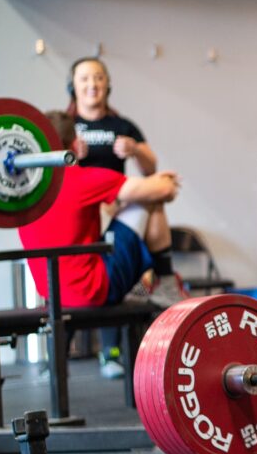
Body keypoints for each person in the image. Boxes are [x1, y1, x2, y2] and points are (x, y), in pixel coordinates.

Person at [66, 57, 187, 377]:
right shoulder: (66, 128)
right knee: (157, 194)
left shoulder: (122, 126)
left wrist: (134, 150)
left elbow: (150, 168)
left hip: (116, 206)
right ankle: (162, 280)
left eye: (98, 77)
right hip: (80, 216)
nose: (92, 84)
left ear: (107, 84)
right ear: (72, 86)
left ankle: (160, 284)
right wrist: (70, 156)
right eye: (84, 78)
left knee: (154, 199)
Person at [18, 111, 183, 317]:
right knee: (151, 197)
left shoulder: (25, 191)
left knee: (140, 197)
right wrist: (163, 180)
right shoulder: (82, 179)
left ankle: (147, 284)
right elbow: (165, 190)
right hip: (94, 292)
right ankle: (165, 283)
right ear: (75, 144)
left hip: (52, 297)